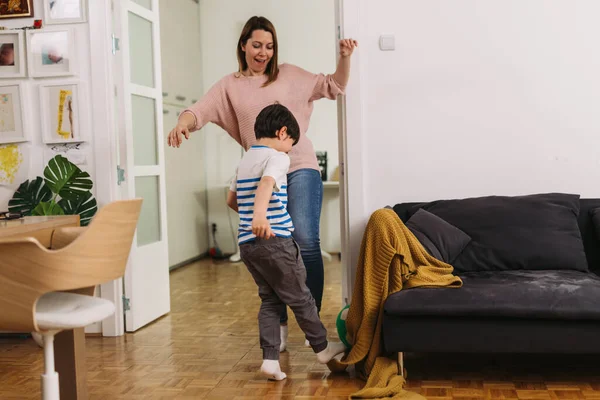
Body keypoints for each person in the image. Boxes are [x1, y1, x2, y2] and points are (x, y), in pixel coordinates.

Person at [167, 15, 357, 352]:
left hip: (299, 165)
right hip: (259, 171)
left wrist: (345, 58)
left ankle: (308, 319)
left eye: (269, 46)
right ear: (243, 45)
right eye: (257, 45)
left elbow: (335, 85)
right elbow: (199, 110)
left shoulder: (290, 74)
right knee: (272, 248)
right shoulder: (230, 86)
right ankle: (280, 322)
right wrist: (182, 124)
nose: (263, 52)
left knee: (305, 241)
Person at [226, 103, 346, 380]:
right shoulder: (278, 158)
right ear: (282, 133)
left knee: (270, 300)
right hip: (275, 241)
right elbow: (267, 184)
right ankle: (323, 348)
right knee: (301, 297)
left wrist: (252, 219)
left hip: (248, 245)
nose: (290, 149)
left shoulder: (244, 160)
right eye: (291, 143)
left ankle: (270, 359)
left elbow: (231, 200)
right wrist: (261, 216)